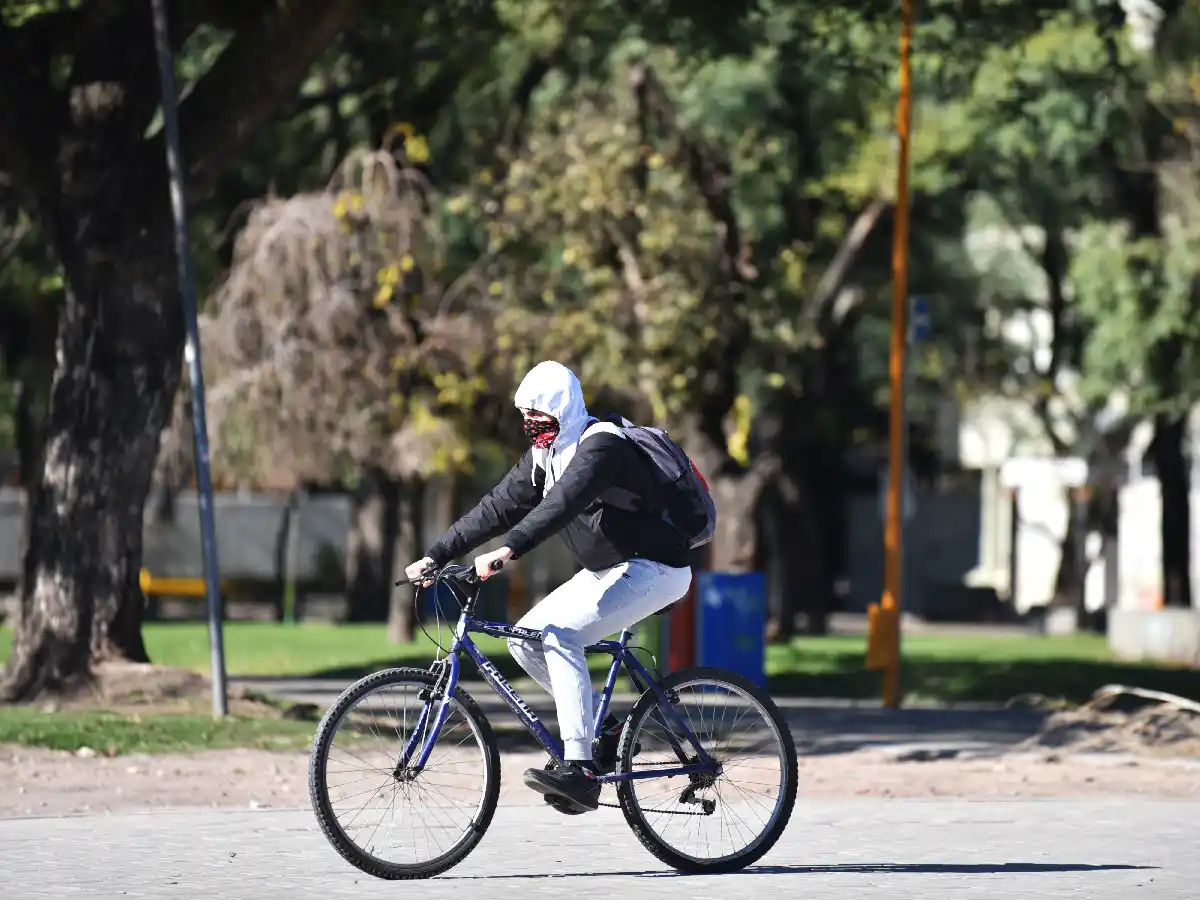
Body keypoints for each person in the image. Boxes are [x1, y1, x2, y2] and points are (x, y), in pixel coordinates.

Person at [405, 360, 692, 812]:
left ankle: (579, 767)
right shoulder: (546, 454)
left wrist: (509, 551)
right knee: (525, 641)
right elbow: (497, 507)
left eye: (539, 416)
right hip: (609, 571)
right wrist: (436, 554)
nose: (531, 426)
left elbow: (562, 504)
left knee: (559, 636)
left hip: (655, 569)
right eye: (526, 418)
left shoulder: (601, 445)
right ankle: (607, 732)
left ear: (563, 409)